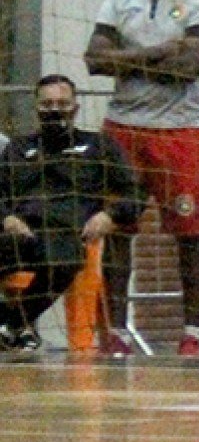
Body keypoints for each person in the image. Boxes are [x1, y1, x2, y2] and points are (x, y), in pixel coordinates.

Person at [84, 0, 199, 357]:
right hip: (123, 129)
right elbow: (94, 61)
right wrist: (157, 51)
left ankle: (192, 333)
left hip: (180, 131)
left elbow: (188, 68)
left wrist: (129, 59)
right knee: (118, 229)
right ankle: (117, 333)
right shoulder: (118, 2)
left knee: (190, 233)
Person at [0, 76, 143, 355]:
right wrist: (6, 217)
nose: (55, 110)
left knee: (64, 257)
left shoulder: (98, 147)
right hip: (20, 232)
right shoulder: (17, 149)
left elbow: (134, 192)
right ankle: (15, 328)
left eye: (62, 104)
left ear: (75, 108)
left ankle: (11, 322)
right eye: (47, 104)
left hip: (66, 235)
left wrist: (109, 216)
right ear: (36, 108)